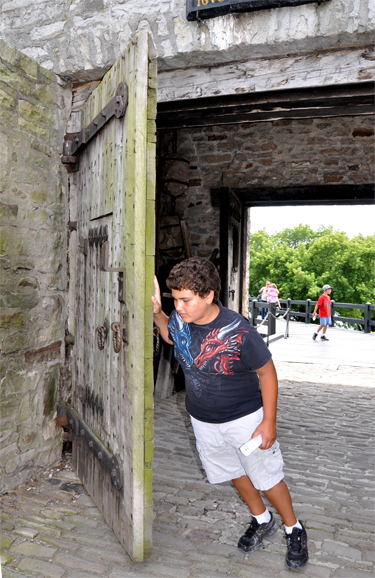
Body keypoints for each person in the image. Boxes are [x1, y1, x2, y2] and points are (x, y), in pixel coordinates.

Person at [152, 257, 308, 571]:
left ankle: (294, 528)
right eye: (175, 300)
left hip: (245, 419)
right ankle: (261, 520)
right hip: (203, 419)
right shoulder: (181, 320)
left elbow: (267, 373)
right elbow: (173, 336)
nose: (179, 307)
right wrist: (158, 314)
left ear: (208, 295)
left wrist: (268, 421)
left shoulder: (239, 331)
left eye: (186, 300)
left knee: (266, 477)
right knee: (234, 472)